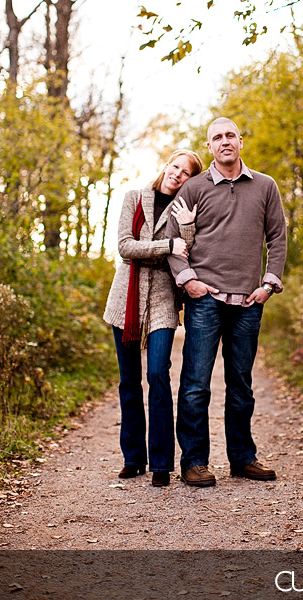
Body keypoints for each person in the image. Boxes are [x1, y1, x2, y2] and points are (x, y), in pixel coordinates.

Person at [166, 118, 287, 487]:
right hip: (205, 301)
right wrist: (189, 282)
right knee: (195, 384)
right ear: (210, 147)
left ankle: (243, 458)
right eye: (217, 138)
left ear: (241, 141)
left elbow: (278, 239)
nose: (225, 142)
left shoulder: (265, 186)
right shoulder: (193, 187)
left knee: (241, 384)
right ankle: (194, 461)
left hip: (250, 301)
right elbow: (173, 239)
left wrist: (269, 284)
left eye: (230, 135)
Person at [103, 149, 202, 487]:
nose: (177, 174)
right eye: (175, 166)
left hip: (162, 298)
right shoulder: (134, 198)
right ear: (165, 166)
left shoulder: (184, 210)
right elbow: (125, 247)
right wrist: (165, 247)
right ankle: (133, 458)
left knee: (158, 374)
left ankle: (161, 463)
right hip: (125, 300)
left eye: (186, 172)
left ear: (190, 179)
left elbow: (185, 253)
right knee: (128, 380)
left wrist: (185, 229)